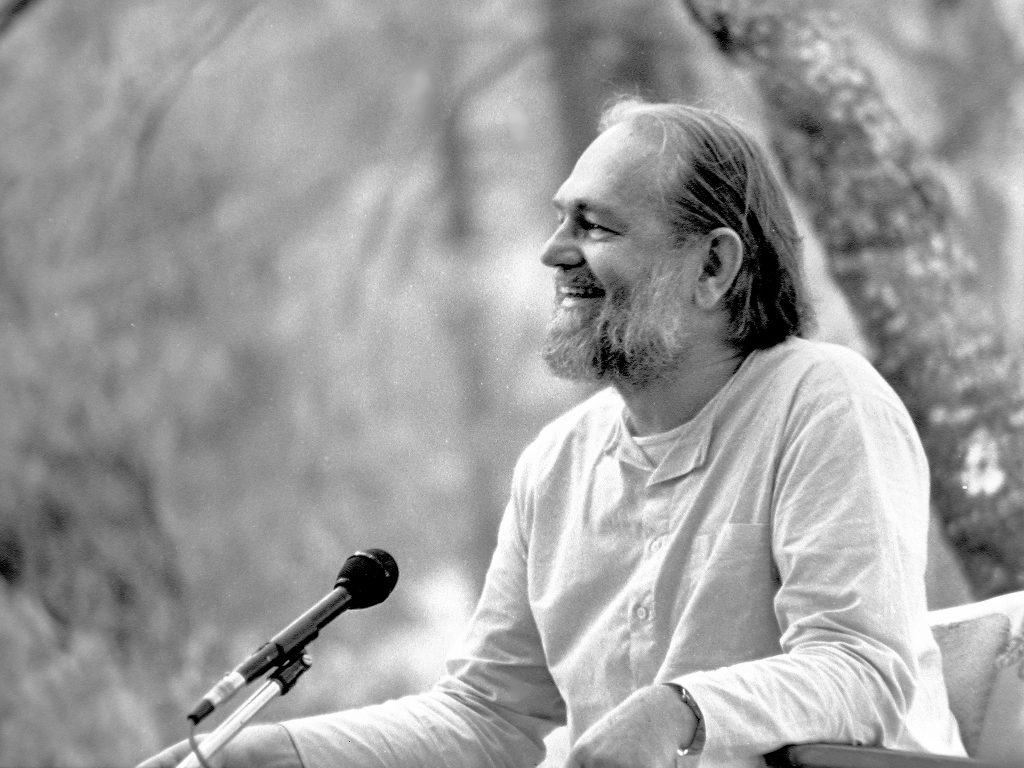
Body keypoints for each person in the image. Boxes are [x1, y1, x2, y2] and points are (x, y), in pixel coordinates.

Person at [139, 98, 966, 768]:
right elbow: (489, 717)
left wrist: (677, 711)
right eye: (560, 219)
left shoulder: (824, 401)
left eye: (595, 227)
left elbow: (864, 669)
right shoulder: (557, 464)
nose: (551, 252)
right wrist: (281, 753)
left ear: (714, 267)